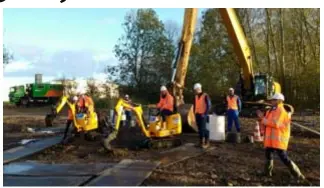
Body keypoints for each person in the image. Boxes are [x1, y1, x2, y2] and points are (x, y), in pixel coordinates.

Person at [256, 93, 306, 181]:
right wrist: (261, 118)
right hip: (270, 139)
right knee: (268, 155)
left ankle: (298, 174)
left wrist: (262, 119)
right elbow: (266, 122)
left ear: (279, 101)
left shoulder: (281, 111)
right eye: (271, 100)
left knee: (284, 157)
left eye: (273, 100)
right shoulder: (270, 110)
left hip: (279, 139)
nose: (271, 101)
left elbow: (276, 124)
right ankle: (267, 172)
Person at [193, 83, 211, 149]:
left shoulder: (205, 95)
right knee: (200, 129)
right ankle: (200, 142)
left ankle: (207, 142)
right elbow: (195, 106)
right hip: (197, 114)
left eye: (195, 90)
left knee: (203, 129)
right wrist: (194, 113)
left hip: (203, 115)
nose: (195, 91)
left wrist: (205, 114)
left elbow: (209, 106)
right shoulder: (196, 96)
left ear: (199, 88)